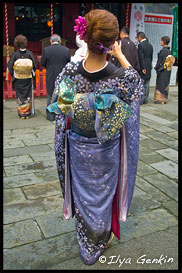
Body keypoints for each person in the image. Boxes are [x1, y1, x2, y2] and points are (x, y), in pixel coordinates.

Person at [47, 9, 143, 265]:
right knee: (104, 193)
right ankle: (101, 237)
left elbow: (60, 107)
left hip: (78, 146)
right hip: (107, 148)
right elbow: (138, 85)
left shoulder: (69, 72)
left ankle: (86, 239)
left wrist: (81, 107)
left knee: (82, 193)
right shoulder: (123, 78)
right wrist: (121, 57)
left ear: (83, 37)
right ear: (112, 43)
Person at [41, 34, 71, 121]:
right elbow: (68, 62)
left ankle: (50, 116)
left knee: (50, 94)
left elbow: (43, 62)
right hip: (62, 74)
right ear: (60, 41)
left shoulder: (46, 50)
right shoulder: (66, 50)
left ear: (51, 41)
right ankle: (62, 114)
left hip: (51, 73)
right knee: (62, 94)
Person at [7, 34, 36, 119]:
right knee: (27, 95)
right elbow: (34, 66)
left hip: (18, 78)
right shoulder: (29, 54)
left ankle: (22, 114)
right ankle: (27, 113)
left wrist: (14, 74)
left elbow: (9, 66)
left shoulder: (15, 55)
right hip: (27, 77)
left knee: (20, 95)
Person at [154, 36, 175, 104]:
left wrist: (156, 68)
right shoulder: (169, 51)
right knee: (165, 84)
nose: (161, 42)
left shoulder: (163, 51)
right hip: (167, 70)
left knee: (160, 85)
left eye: (161, 41)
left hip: (162, 70)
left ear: (164, 41)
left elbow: (160, 62)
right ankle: (164, 99)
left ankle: (159, 99)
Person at [137, 31, 153, 104]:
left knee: (141, 84)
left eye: (138, 38)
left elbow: (141, 57)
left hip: (143, 68)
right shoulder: (150, 45)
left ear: (140, 37)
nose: (137, 39)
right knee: (147, 84)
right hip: (149, 66)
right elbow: (151, 57)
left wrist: (143, 68)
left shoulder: (141, 45)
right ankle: (145, 99)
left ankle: (141, 99)